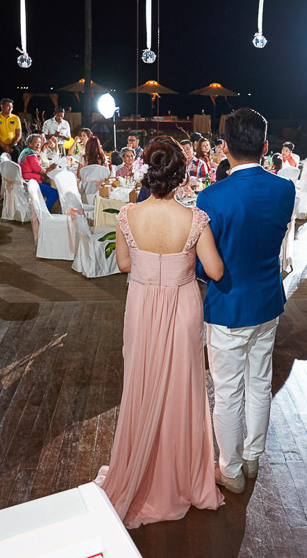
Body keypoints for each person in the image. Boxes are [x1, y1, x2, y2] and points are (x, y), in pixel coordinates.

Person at [96, 137, 225, 528]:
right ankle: (180, 477)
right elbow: (216, 272)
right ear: (182, 175)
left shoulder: (127, 216)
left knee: (141, 383)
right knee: (181, 389)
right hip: (183, 306)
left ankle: (140, 472)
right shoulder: (195, 219)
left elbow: (121, 264)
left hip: (142, 305)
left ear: (147, 173)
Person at [196, 108, 295, 495]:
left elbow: (209, 263)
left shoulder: (211, 196)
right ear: (265, 146)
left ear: (224, 148)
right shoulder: (284, 189)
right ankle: (252, 457)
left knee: (227, 390)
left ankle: (231, 470)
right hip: (267, 301)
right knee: (259, 382)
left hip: (228, 305)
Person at [18, 134, 59, 211]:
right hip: (30, 182)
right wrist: (51, 168)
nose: (39, 145)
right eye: (36, 142)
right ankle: (44, 213)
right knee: (55, 193)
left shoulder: (25, 151)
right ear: (30, 144)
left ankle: (41, 208)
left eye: (40, 143)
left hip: (25, 180)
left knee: (50, 185)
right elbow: (40, 171)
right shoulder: (31, 154)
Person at [0, 98, 22, 195]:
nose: (10, 109)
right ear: (2, 106)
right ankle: (1, 194)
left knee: (17, 169)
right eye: (8, 106)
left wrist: (12, 145)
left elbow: (18, 133)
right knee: (1, 170)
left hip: (13, 147)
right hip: (0, 147)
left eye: (11, 107)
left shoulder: (15, 118)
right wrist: (4, 146)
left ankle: (16, 192)